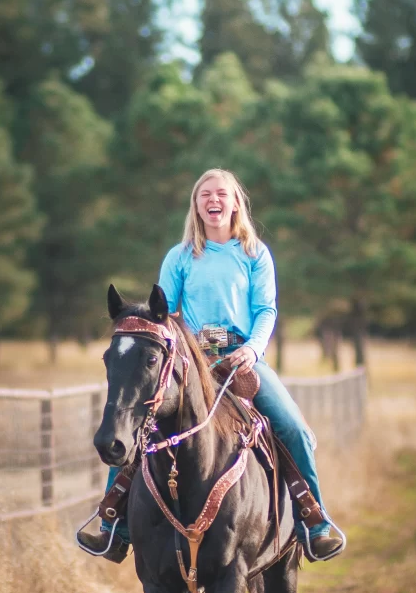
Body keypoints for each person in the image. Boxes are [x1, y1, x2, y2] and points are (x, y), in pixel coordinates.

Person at [78, 167, 344, 563]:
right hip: (192, 359)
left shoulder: (254, 254)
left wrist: (252, 350)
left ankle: (313, 521)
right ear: (196, 205)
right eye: (205, 194)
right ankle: (114, 522)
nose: (213, 200)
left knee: (294, 429)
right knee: (142, 420)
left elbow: (265, 310)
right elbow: (160, 313)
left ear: (236, 202)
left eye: (221, 193)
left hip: (241, 357)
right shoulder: (181, 256)